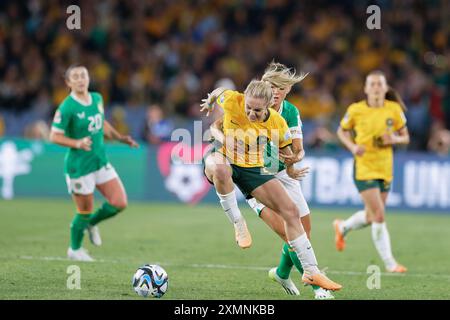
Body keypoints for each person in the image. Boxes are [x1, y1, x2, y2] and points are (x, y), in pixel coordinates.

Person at [200, 79, 342, 291]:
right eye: (248, 107)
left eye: (257, 110)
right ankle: (238, 223)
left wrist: (292, 167)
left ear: (268, 106)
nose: (250, 113)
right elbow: (218, 90)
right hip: (223, 157)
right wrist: (211, 102)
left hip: (252, 169)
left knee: (291, 211)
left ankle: (312, 272)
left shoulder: (277, 123)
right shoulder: (232, 100)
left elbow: (287, 153)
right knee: (219, 168)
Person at [50, 65, 139, 262]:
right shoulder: (67, 107)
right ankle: (74, 249)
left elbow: (102, 123)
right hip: (79, 166)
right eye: (75, 76)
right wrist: (77, 143)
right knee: (84, 210)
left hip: (100, 161)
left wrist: (120, 138)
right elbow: (54, 136)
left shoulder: (97, 98)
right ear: (68, 82)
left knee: (119, 202)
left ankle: (91, 223)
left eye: (83, 75)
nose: (81, 79)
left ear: (88, 78)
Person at [334, 70, 410, 273]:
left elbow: (405, 137)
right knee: (379, 215)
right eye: (372, 84)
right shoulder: (356, 109)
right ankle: (390, 263)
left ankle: (342, 227)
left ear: (385, 88)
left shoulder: (393, 109)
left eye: (379, 84)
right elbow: (341, 130)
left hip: (385, 168)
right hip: (364, 168)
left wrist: (394, 139)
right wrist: (352, 147)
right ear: (366, 89)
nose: (376, 87)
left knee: (371, 216)